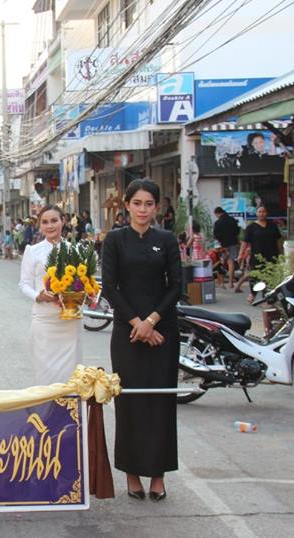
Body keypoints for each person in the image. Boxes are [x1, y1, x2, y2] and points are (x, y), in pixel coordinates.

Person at [100, 178, 181, 502]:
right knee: (130, 402)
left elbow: (176, 286)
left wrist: (152, 321)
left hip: (163, 331)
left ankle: (158, 476)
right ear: (127, 206)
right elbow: (110, 287)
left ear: (157, 207)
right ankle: (132, 474)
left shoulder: (167, 240)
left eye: (149, 204)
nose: (143, 209)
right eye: (137, 203)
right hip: (128, 332)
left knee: (161, 402)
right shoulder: (115, 240)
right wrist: (138, 323)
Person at [18, 204, 84, 385]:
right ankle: (47, 404)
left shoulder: (75, 249)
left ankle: (69, 404)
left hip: (70, 319)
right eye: (45, 222)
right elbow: (24, 284)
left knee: (71, 375)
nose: (50, 226)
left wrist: (83, 295)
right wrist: (38, 296)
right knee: (45, 373)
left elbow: (83, 281)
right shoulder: (33, 251)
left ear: (63, 221)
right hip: (44, 319)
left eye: (54, 221)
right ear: (40, 225)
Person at [240, 205, 283, 301]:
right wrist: (240, 254)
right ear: (256, 213)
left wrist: (281, 253)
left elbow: (278, 240)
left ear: (266, 213)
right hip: (257, 256)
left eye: (263, 212)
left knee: (269, 276)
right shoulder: (251, 227)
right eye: (259, 212)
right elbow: (245, 242)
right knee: (255, 276)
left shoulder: (272, 226)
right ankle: (253, 294)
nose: (262, 214)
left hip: (272, 255)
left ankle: (266, 297)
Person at [212, 206, 240, 288]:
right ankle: (231, 282)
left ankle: (222, 283)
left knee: (222, 263)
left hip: (223, 245)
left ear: (217, 213)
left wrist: (222, 243)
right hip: (233, 243)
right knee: (231, 262)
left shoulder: (218, 223)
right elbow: (237, 231)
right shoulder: (232, 220)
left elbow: (216, 235)